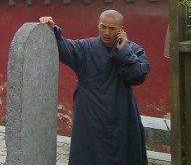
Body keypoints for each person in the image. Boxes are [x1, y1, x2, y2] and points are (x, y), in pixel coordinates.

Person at [39, 10, 150, 165]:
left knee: (123, 154)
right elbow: (64, 47)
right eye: (103, 26)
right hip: (89, 113)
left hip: (121, 112)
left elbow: (138, 76)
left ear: (121, 30)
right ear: (98, 24)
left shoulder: (133, 50)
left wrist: (123, 52)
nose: (106, 32)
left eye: (112, 29)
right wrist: (51, 29)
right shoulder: (86, 47)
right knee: (87, 154)